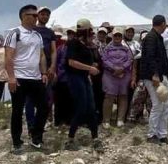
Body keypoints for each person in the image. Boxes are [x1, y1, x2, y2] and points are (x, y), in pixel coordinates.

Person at [4, 5, 49, 152]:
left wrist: (44, 73)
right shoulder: (14, 33)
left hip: (35, 77)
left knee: (44, 107)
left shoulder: (37, 35)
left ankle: (36, 137)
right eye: (34, 15)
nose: (37, 18)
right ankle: (16, 142)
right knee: (17, 110)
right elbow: (8, 56)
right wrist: (11, 77)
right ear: (24, 16)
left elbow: (41, 55)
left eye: (37, 16)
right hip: (19, 77)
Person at [65, 18, 102, 150]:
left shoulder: (86, 45)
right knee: (81, 107)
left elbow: (87, 61)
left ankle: (95, 138)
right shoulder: (73, 43)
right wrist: (90, 68)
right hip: (75, 77)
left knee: (91, 107)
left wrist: (92, 65)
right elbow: (71, 62)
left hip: (84, 77)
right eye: (90, 30)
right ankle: (70, 138)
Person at [141, 14, 168, 143]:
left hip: (160, 75)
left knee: (166, 105)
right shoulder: (151, 38)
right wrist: (154, 74)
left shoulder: (157, 37)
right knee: (158, 104)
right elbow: (149, 57)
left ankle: (162, 134)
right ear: (163, 24)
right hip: (153, 76)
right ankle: (152, 134)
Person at [26, 6, 57, 131]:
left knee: (45, 98)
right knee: (30, 99)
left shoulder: (50, 32)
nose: (45, 17)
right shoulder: (31, 29)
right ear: (37, 15)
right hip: (32, 67)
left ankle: (40, 125)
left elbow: (54, 50)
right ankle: (30, 126)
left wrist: (53, 66)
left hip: (47, 67)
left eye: (47, 15)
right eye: (42, 14)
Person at [101, 27, 134, 127]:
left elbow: (130, 59)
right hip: (110, 75)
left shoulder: (126, 48)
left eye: (119, 35)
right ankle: (106, 120)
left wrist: (122, 68)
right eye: (116, 35)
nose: (117, 37)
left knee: (123, 96)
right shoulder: (107, 48)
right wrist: (114, 68)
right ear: (112, 36)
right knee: (109, 96)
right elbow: (104, 60)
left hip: (124, 74)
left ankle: (120, 119)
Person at [53, 27, 74, 126]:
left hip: (71, 79)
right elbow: (56, 62)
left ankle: (68, 120)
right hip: (61, 78)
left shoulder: (75, 49)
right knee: (59, 100)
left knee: (70, 100)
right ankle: (58, 120)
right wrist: (55, 74)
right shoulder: (60, 48)